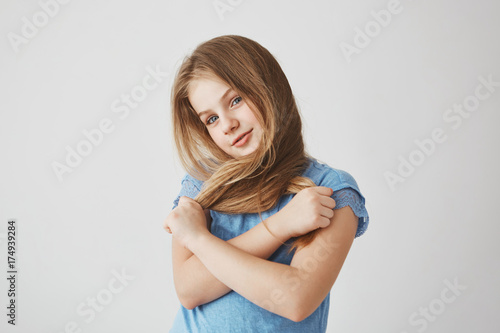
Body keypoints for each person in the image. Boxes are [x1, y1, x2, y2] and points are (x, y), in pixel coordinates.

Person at [164, 35, 370, 332]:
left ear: (268, 88)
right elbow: (189, 290)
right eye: (210, 119)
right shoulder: (204, 183)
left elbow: (295, 298)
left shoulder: (330, 190)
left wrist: (199, 239)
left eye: (235, 100)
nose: (227, 125)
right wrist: (281, 226)